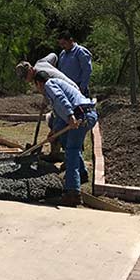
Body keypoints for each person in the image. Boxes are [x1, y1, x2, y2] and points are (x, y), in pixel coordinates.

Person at [33, 71, 98, 207]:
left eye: (36, 87)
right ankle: (81, 173)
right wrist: (54, 132)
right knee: (66, 141)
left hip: (81, 115)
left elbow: (60, 99)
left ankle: (73, 193)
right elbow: (58, 115)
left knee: (72, 151)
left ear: (39, 83)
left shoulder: (50, 85)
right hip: (86, 113)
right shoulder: (57, 84)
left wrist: (69, 116)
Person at [15, 52, 79, 87]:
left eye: (25, 76)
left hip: (71, 92)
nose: (26, 80)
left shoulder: (40, 77)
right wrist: (52, 68)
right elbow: (53, 55)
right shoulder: (40, 63)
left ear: (30, 69)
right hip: (73, 87)